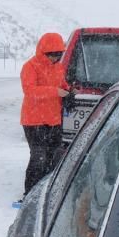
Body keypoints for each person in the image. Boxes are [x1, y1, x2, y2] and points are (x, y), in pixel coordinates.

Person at [20, 32, 70, 197]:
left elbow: (63, 84)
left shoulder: (58, 67)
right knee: (38, 157)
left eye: (58, 54)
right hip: (34, 121)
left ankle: (45, 192)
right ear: (44, 53)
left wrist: (69, 90)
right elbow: (30, 91)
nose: (55, 58)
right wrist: (56, 92)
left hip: (54, 120)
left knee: (52, 157)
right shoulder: (30, 67)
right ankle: (30, 194)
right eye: (52, 55)